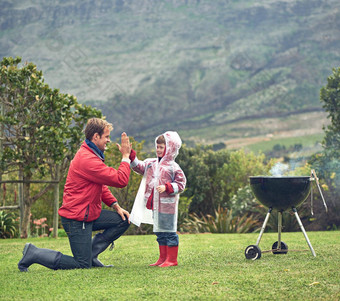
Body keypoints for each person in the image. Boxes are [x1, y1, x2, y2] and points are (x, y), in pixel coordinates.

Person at [18, 118, 132, 271]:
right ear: (95, 137)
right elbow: (120, 180)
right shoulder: (87, 159)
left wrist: (115, 205)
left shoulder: (92, 154)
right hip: (76, 219)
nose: (109, 140)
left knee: (123, 220)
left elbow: (100, 185)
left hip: (89, 214)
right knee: (82, 265)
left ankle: (90, 255)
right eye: (106, 136)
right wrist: (125, 157)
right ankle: (34, 253)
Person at [129, 131, 186, 267]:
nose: (158, 150)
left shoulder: (173, 167)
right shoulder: (151, 163)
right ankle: (163, 258)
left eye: (162, 147)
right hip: (155, 205)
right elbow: (139, 167)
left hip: (168, 206)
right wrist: (131, 156)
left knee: (170, 233)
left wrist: (168, 187)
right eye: (157, 146)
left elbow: (181, 184)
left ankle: (172, 259)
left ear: (170, 149)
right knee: (160, 232)